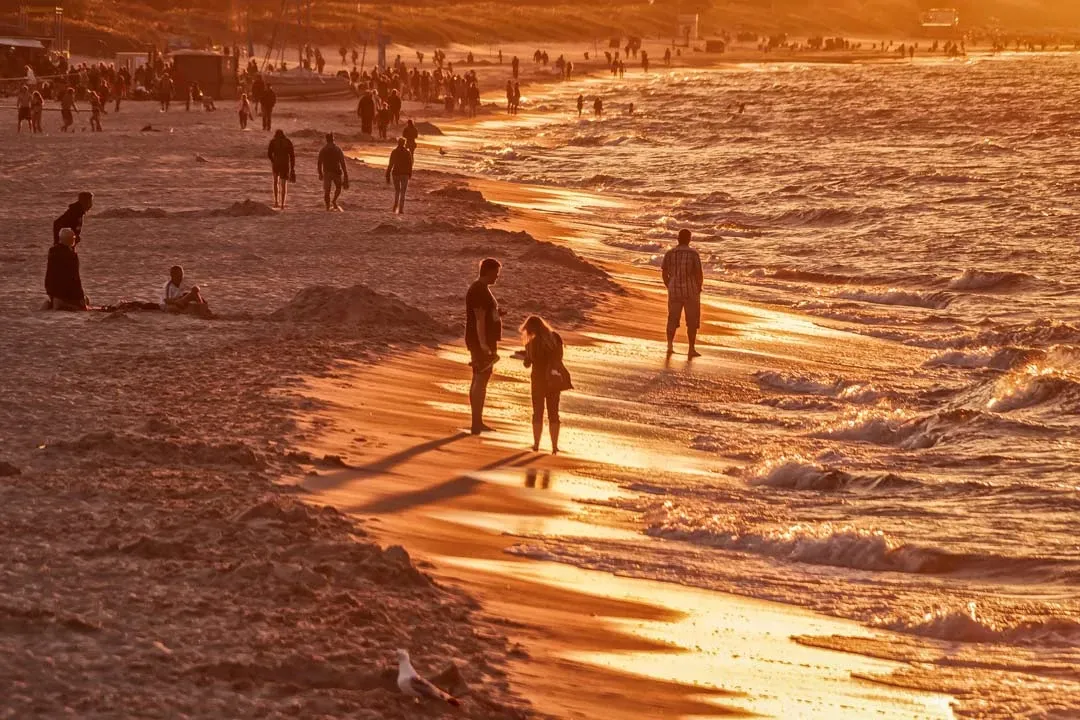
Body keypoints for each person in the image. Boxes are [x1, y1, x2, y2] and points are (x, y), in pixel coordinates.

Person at [521, 315, 571, 454]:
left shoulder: (532, 343)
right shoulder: (556, 338)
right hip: (553, 379)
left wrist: (524, 356)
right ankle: (554, 446)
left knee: (537, 412)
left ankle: (536, 444)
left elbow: (527, 363)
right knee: (554, 413)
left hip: (538, 380)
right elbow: (559, 358)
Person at [465, 258, 503, 435]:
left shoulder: (482, 290)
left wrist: (496, 313)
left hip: (483, 341)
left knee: (480, 378)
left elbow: (485, 314)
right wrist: (483, 345)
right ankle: (476, 423)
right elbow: (479, 319)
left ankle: (477, 421)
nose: (497, 277)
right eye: (496, 273)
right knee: (481, 379)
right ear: (487, 271)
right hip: (481, 342)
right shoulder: (479, 291)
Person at [661, 229, 704, 358]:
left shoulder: (670, 253)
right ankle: (691, 348)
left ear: (678, 239)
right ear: (689, 239)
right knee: (692, 321)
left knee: (672, 319)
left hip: (674, 290)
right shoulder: (693, 254)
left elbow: (664, 273)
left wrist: (669, 285)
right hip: (691, 291)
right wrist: (698, 288)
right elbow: (698, 274)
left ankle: (670, 346)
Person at [45, 228, 87, 311]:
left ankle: (54, 302)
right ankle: (61, 303)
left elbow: (50, 274)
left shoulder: (52, 251)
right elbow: (75, 278)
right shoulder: (71, 255)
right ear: (71, 240)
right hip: (65, 293)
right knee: (85, 301)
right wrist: (81, 297)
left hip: (52, 291)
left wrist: (50, 292)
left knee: (51, 302)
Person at [317, 132, 349, 211]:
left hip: (327, 172)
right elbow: (342, 162)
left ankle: (327, 207)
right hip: (336, 172)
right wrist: (345, 174)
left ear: (326, 140)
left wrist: (320, 173)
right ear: (333, 139)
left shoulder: (323, 149)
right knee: (338, 188)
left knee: (327, 191)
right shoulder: (338, 149)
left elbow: (319, 162)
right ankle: (334, 200)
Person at [267, 130, 296, 209]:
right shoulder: (287, 142)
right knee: (283, 185)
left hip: (276, 164)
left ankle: (276, 201)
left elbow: (269, 154)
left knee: (275, 182)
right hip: (285, 165)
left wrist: (273, 161)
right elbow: (292, 156)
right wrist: (292, 168)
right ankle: (282, 204)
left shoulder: (273, 142)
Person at [386, 137, 413, 214]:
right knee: (403, 192)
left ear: (398, 143)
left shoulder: (394, 152)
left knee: (397, 191)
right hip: (405, 174)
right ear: (404, 143)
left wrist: (387, 174)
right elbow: (410, 164)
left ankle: (395, 206)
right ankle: (401, 209)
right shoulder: (407, 152)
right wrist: (410, 173)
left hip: (396, 173)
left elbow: (391, 164)